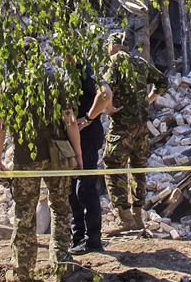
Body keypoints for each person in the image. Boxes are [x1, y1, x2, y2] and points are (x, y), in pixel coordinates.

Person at [0, 79, 73, 282]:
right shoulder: (52, 81)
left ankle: (23, 270)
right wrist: (78, 155)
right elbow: (69, 120)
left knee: (25, 212)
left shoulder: (8, 85)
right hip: (57, 156)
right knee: (61, 208)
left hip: (25, 158)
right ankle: (61, 264)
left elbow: (0, 127)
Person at [102, 38, 162, 233]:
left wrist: (109, 108)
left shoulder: (114, 62)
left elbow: (105, 90)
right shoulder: (140, 62)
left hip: (122, 127)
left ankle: (124, 218)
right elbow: (163, 81)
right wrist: (149, 100)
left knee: (113, 167)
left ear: (113, 45)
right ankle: (138, 217)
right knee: (138, 169)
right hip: (142, 127)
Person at [66, 61, 112, 254]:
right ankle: (78, 237)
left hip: (87, 137)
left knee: (84, 188)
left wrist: (89, 118)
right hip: (78, 137)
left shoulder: (85, 69)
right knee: (74, 189)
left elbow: (105, 94)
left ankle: (92, 239)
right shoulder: (74, 71)